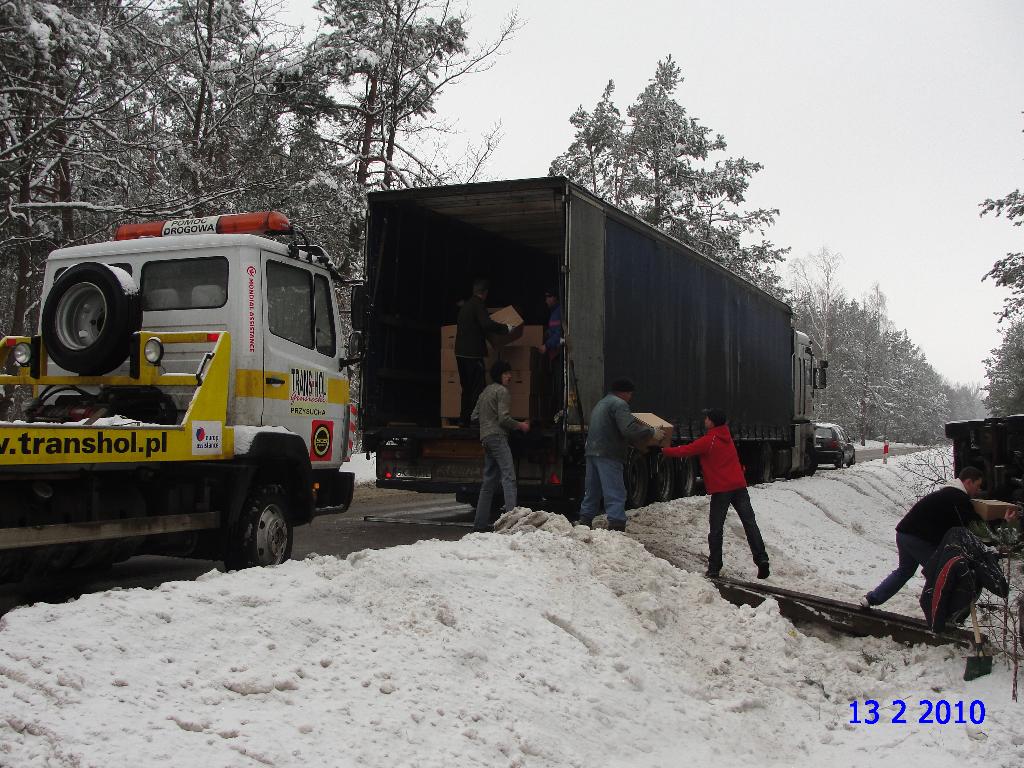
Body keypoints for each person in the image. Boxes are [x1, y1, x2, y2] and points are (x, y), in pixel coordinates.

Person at [859, 466, 1016, 608]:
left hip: (904, 534)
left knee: (904, 571)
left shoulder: (948, 494)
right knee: (942, 574)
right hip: (918, 539)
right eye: (977, 485)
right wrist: (1004, 522)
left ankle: (871, 599)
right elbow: (976, 527)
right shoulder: (958, 498)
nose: (978, 490)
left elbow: (971, 519)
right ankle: (937, 613)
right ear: (968, 482)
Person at [662, 408, 770, 579]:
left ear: (711, 421)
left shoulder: (709, 440)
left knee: (716, 529)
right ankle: (762, 559)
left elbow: (686, 450)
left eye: (706, 418)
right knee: (749, 523)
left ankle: (714, 567)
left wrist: (664, 450)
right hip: (739, 486)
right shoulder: (727, 438)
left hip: (722, 490)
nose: (704, 420)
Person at [577, 378, 664, 533]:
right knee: (615, 490)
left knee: (593, 489)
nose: (630, 397)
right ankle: (617, 524)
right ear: (624, 393)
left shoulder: (601, 403)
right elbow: (628, 429)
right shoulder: (619, 404)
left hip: (592, 451)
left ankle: (585, 519)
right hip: (609, 453)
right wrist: (651, 431)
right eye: (630, 394)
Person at [470, 360, 530, 532]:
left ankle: (479, 524)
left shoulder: (485, 392)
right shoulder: (502, 392)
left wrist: (486, 423)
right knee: (509, 477)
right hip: (498, 437)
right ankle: (512, 523)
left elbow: (474, 416)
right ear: (499, 375)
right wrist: (521, 425)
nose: (510, 376)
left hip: (486, 438)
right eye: (506, 374)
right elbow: (503, 418)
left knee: (488, 482)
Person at [455, 279, 511, 426]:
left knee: (466, 387)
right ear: (485, 293)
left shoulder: (466, 306)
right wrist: (505, 328)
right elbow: (486, 323)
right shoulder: (478, 305)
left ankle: (463, 419)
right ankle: (475, 420)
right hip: (473, 354)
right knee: (477, 388)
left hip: (460, 353)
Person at [536, 289, 564, 418]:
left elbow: (560, 335)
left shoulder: (558, 313)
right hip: (555, 356)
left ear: (555, 298)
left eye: (549, 297)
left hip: (558, 355)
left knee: (559, 388)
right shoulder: (554, 313)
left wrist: (546, 345)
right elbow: (554, 332)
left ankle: (558, 416)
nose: (546, 300)